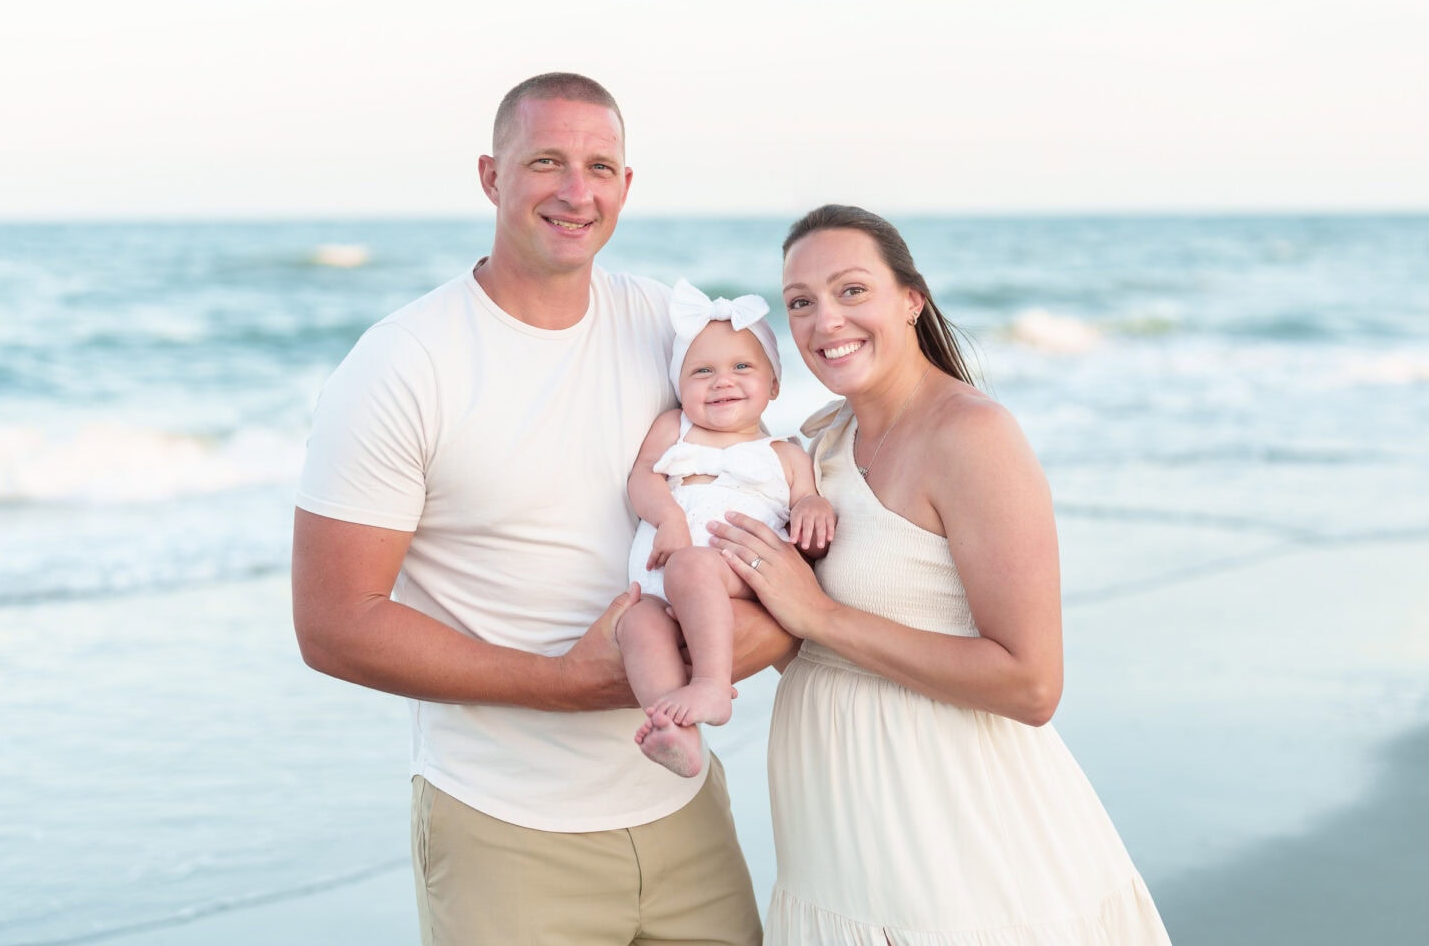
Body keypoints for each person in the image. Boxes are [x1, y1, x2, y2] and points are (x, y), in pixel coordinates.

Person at [292, 72, 793, 946]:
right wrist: (562, 686)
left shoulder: (667, 331)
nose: (576, 191)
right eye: (546, 162)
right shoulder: (404, 363)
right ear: (491, 176)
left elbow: (766, 483)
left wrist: (760, 631)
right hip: (505, 830)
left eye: (600, 166)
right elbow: (334, 624)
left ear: (627, 187)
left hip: (684, 807)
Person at [708, 205, 1171, 944]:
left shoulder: (971, 436)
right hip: (837, 851)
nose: (826, 321)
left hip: (962, 853)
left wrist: (820, 617)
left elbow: (1032, 684)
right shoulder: (817, 446)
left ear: (911, 300)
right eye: (801, 302)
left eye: (852, 291)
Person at [620, 280, 835, 779]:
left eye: (742, 367)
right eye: (703, 372)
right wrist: (669, 517)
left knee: (693, 565)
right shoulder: (673, 428)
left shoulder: (783, 452)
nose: (722, 381)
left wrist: (814, 506)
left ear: (774, 385)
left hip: (737, 570)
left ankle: (712, 686)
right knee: (636, 624)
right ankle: (675, 731)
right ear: (680, 387)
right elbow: (641, 479)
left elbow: (806, 499)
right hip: (661, 580)